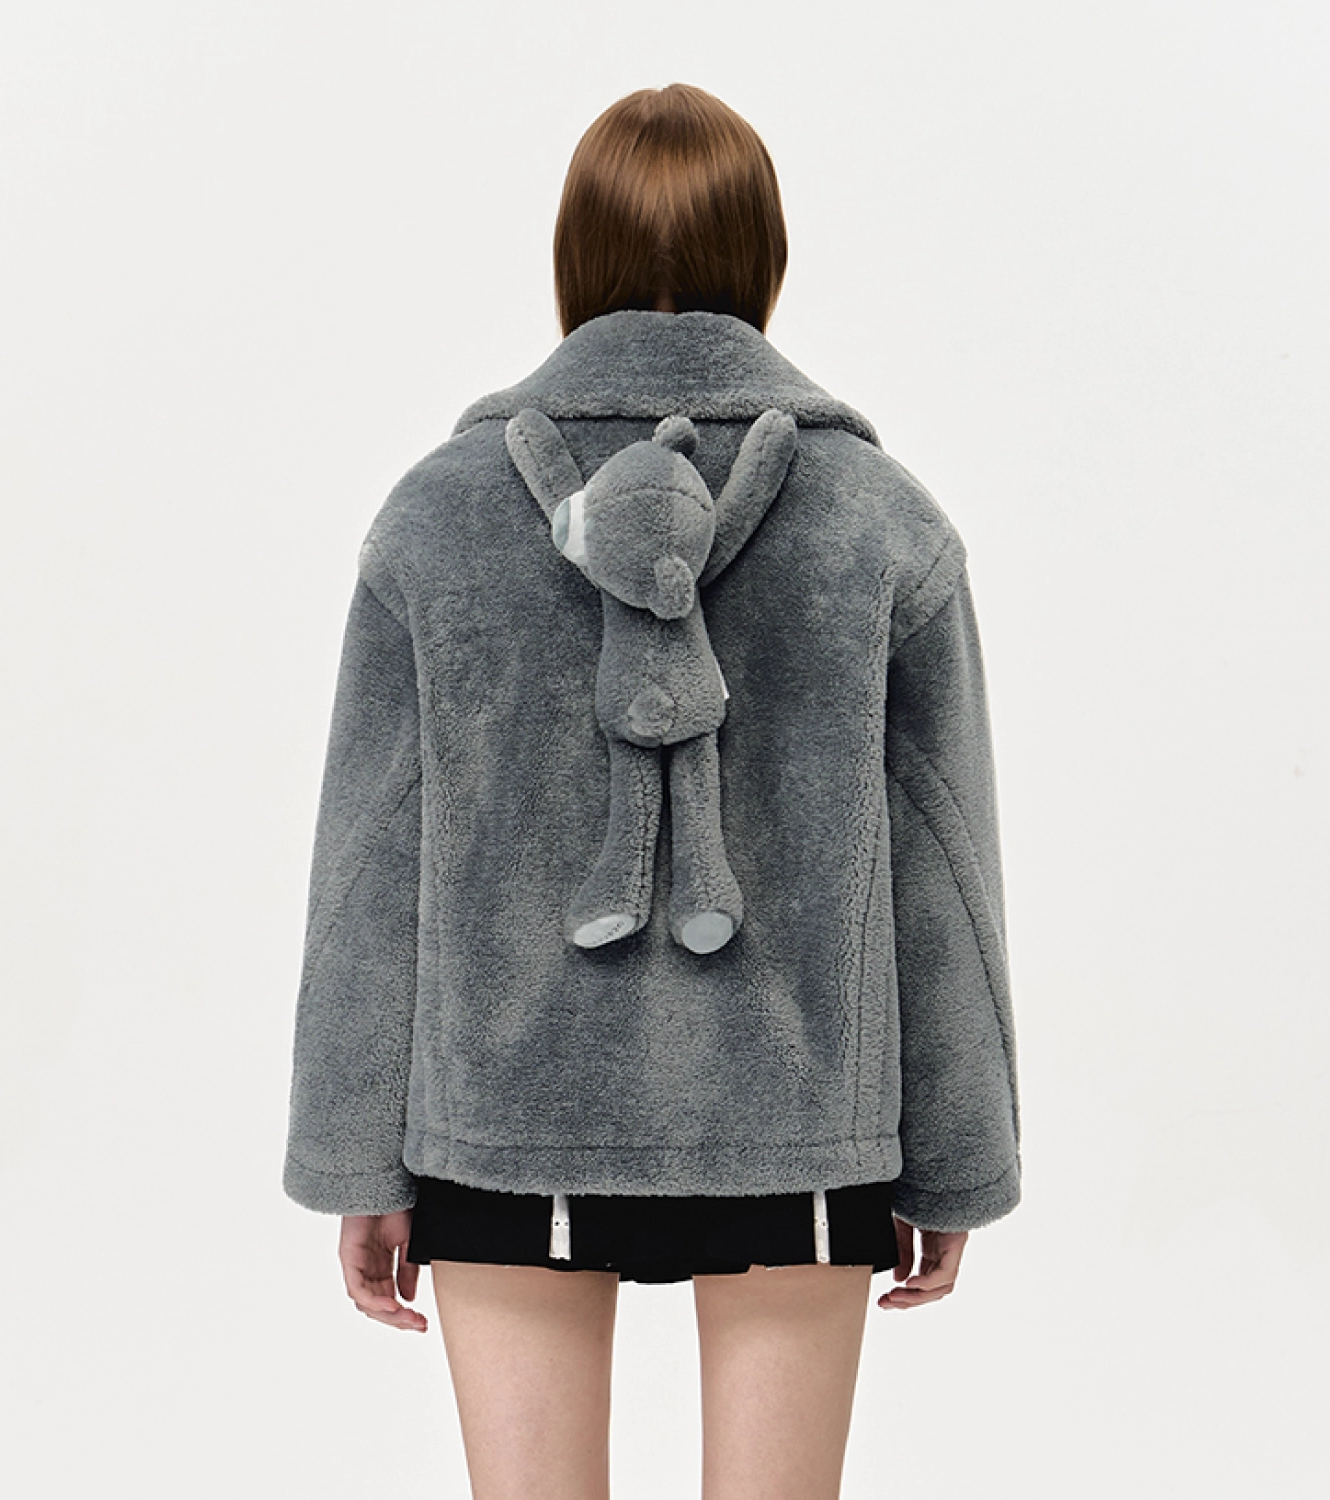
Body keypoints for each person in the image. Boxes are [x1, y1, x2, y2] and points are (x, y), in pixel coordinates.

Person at [283, 83, 1021, 1500]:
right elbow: (945, 865)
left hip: (503, 1117)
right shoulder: (880, 518)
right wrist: (956, 1159)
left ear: (574, 255)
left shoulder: (439, 512)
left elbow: (369, 859)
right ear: (766, 253)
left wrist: (354, 1155)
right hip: (803, 1121)